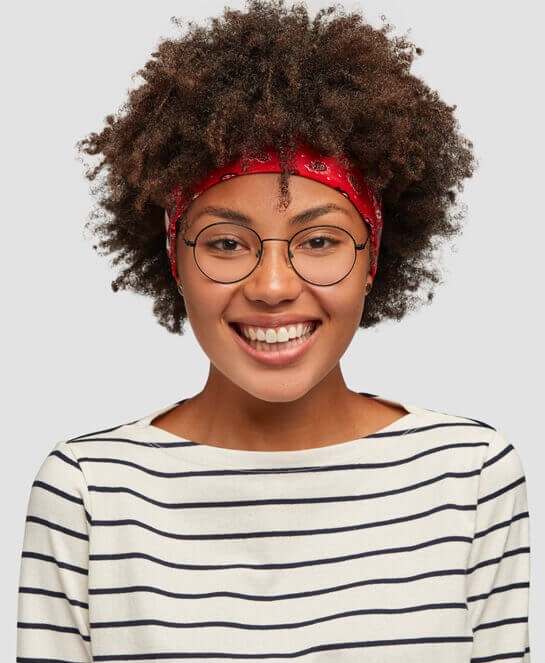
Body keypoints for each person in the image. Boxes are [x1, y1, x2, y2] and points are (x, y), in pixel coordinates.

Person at [16, 1, 531, 661]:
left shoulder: (469, 475)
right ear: (174, 260)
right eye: (226, 243)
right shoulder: (89, 490)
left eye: (318, 240)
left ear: (372, 258)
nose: (273, 285)